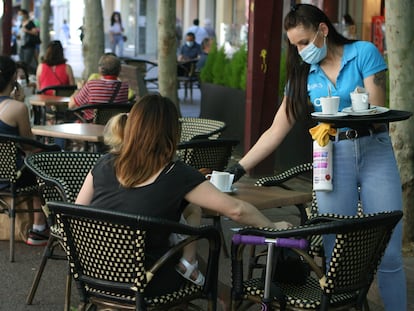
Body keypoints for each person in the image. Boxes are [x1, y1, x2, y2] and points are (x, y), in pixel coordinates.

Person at [226, 4, 406, 310]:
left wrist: (351, 109)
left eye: (304, 42)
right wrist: (238, 168)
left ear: (323, 30)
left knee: (388, 249)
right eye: (294, 45)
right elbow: (276, 129)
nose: (300, 51)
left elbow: (379, 115)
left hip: (374, 149)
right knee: (336, 251)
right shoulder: (302, 75)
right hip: (332, 155)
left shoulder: (363, 52)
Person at [76, 93, 290, 301]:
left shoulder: (103, 163)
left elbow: (77, 213)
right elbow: (236, 210)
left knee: (181, 242)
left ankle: (219, 294)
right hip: (145, 284)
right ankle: (216, 291)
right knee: (197, 244)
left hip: (94, 279)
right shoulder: (174, 173)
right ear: (173, 132)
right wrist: (273, 225)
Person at [0, 56, 49, 246]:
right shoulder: (17, 108)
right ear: (14, 78)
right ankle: (38, 229)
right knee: (43, 167)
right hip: (11, 178)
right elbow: (29, 145)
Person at [68, 53, 129, 121]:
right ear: (119, 69)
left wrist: (79, 89)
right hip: (113, 126)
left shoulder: (92, 85)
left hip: (91, 127)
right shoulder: (124, 87)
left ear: (100, 69)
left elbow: (71, 106)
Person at [16, 9, 39, 74]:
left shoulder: (30, 23)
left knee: (26, 62)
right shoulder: (21, 24)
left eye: (20, 14)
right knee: (21, 63)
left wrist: (27, 31)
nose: (19, 16)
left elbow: (35, 33)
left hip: (29, 45)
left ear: (25, 15)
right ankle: (24, 76)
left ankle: (31, 73)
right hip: (21, 45)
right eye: (19, 14)